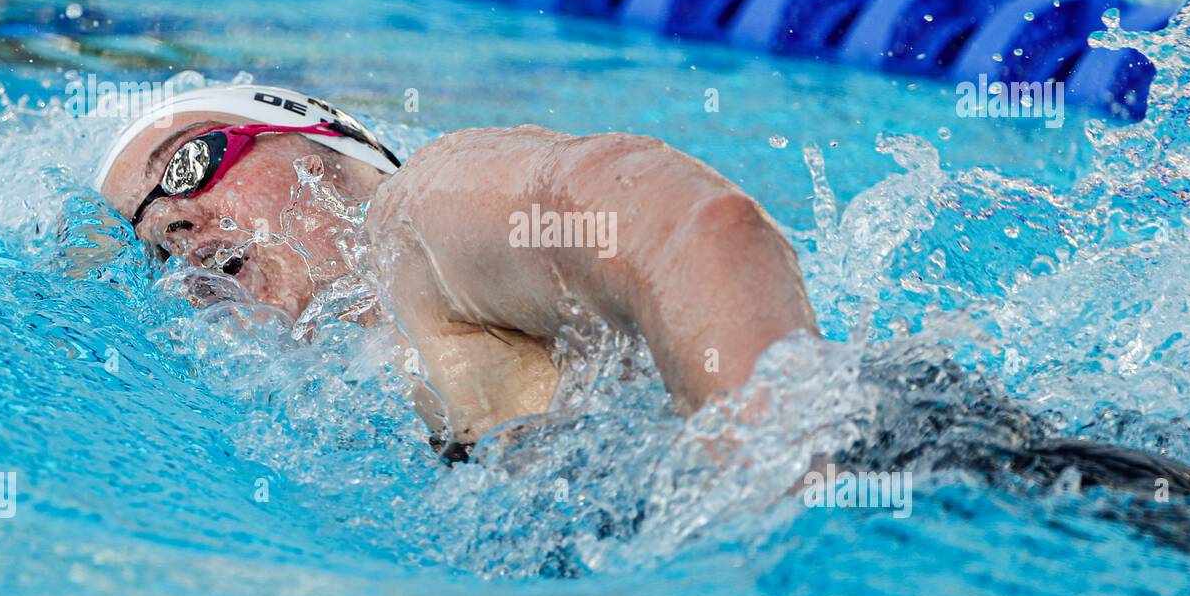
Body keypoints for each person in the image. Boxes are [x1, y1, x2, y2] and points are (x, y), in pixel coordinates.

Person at [95, 83, 818, 457]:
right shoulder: (357, 386)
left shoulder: (417, 217)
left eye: (189, 165)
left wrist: (771, 469)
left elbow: (696, 230)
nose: (172, 223)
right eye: (149, 238)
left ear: (328, 146)